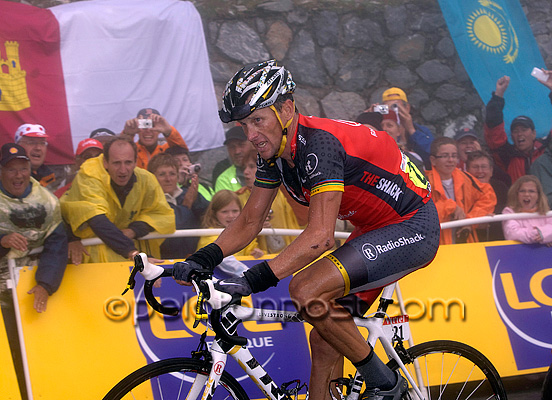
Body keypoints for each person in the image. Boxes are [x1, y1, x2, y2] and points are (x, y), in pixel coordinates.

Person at [172, 60, 440, 400]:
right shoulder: (276, 151)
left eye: (258, 120)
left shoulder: (320, 145)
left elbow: (320, 238)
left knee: (306, 289)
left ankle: (385, 383)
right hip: (375, 229)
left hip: (413, 225)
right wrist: (203, 258)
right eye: (244, 125)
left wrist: (251, 281)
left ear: (286, 108)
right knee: (326, 335)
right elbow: (250, 220)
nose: (251, 135)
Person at [0, 143, 67, 399]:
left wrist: (46, 284)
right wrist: (2, 240)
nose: (18, 175)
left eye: (23, 168)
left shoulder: (48, 201)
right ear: (2, 171)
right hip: (1, 290)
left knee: (40, 349)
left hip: (32, 288)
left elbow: (57, 244)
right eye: (12, 169)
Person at [60, 137, 175, 263]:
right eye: (116, 163)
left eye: (128, 162)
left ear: (136, 162)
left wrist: (133, 231)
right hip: (90, 256)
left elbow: (162, 215)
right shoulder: (89, 174)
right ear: (105, 162)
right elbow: (97, 220)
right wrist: (133, 253)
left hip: (127, 253)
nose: (123, 170)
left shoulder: (147, 179)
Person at [425, 137, 496, 244]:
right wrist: (450, 207)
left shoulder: (466, 178)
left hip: (465, 245)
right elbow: (421, 215)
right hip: (435, 248)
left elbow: (487, 196)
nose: (450, 160)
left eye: (454, 156)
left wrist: (470, 220)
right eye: (445, 156)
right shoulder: (422, 182)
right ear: (433, 160)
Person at [484, 76, 549, 183]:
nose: (519, 134)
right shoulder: (506, 155)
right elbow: (493, 130)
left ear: (534, 133)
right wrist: (498, 95)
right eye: (515, 131)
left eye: (524, 129)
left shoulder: (546, 151)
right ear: (512, 137)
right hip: (516, 199)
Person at [236, 148, 299, 254]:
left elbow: (295, 224)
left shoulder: (282, 193)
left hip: (284, 253)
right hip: (255, 256)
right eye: (244, 168)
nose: (245, 172)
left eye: (251, 167)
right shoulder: (238, 197)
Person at [147, 153, 209, 259]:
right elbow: (171, 223)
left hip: (193, 257)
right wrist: (186, 206)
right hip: (163, 259)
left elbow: (209, 215)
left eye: (172, 174)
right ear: (152, 177)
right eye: (162, 174)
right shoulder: (149, 200)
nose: (168, 179)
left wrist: (196, 200)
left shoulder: (187, 193)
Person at [197, 190, 264, 259]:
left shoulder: (245, 233)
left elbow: (250, 249)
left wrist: (255, 252)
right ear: (214, 213)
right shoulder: (208, 235)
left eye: (235, 211)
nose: (231, 215)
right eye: (224, 212)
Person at [380, 87, 435, 167]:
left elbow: (433, 154)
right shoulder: (383, 131)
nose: (393, 111)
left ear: (407, 108)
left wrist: (411, 130)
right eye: (388, 108)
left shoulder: (421, 131)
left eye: (395, 106)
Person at [121, 107, 188, 169]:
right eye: (144, 124)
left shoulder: (167, 151)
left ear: (160, 130)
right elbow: (119, 153)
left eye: (152, 125)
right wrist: (127, 135)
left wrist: (169, 131)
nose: (148, 130)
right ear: (137, 128)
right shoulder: (131, 151)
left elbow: (182, 150)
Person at [465, 150, 507, 241]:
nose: (480, 171)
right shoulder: (462, 190)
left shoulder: (501, 187)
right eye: (475, 167)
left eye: (484, 167)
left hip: (498, 240)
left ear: (491, 171)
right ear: (467, 170)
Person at [502, 175, 552, 244]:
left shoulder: (545, 211)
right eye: (522, 191)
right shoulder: (509, 212)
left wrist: (544, 235)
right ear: (516, 194)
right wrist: (541, 235)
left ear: (538, 195)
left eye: (531, 191)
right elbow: (512, 234)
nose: (527, 194)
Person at [14, 123, 56, 190]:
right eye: (31, 143)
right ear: (17, 146)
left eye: (42, 143)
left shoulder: (51, 178)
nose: (38, 148)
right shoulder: (7, 177)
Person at [213, 126, 252, 192]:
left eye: (241, 145)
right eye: (232, 147)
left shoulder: (270, 168)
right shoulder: (224, 179)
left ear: (253, 144)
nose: (237, 151)